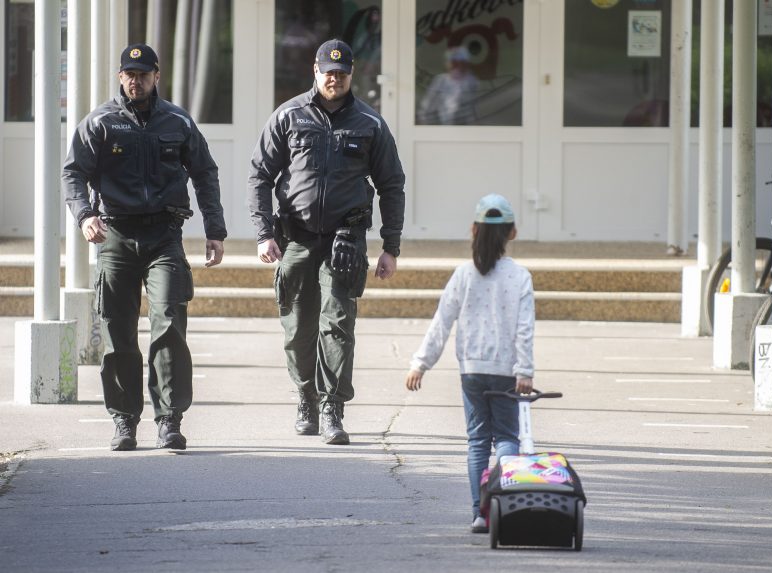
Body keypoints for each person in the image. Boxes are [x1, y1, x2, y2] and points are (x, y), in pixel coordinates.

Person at [62, 43, 227, 452]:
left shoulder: (177, 122)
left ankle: (170, 419)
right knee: (119, 332)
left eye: (143, 74)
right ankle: (124, 420)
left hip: (164, 236)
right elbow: (73, 174)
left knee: (169, 323)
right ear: (121, 77)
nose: (136, 81)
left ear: (157, 76)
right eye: (129, 74)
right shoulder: (100, 122)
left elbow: (205, 173)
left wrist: (215, 229)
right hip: (115, 235)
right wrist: (85, 215)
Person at [248, 39, 405, 445]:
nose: (334, 78)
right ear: (315, 72)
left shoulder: (370, 124)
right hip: (295, 239)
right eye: (327, 71)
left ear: (351, 75)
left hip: (345, 240)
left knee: (337, 325)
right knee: (298, 327)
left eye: (341, 72)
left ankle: (333, 406)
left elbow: (392, 185)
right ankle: (306, 397)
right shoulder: (289, 116)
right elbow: (260, 175)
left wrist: (391, 246)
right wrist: (264, 233)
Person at [405, 193, 535, 533]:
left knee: (478, 440)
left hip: (472, 371)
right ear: (513, 233)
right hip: (507, 371)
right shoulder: (520, 276)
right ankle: (504, 506)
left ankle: (479, 512)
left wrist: (421, 363)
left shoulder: (463, 275)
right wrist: (524, 370)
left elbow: (442, 321)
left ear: (473, 231)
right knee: (507, 437)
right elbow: (524, 328)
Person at [417, 45, 480, 125]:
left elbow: (476, 109)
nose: (458, 67)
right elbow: (427, 108)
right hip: (444, 128)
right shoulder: (441, 80)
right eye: (454, 63)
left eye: (461, 63)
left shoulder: (472, 81)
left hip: (468, 130)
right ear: (448, 64)